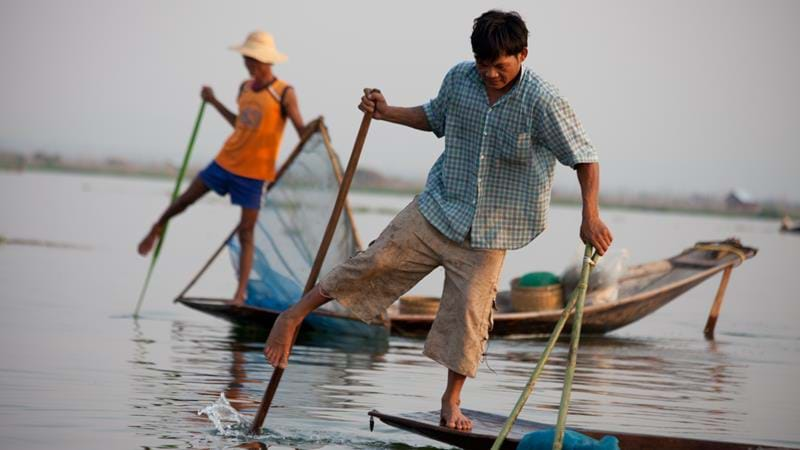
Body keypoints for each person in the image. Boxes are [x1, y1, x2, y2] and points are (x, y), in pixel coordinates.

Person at [263, 10, 613, 431]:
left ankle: (451, 401)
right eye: (483, 65)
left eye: (499, 66)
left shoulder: (543, 100)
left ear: (522, 55)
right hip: (439, 206)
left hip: (493, 229)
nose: (489, 74)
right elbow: (434, 118)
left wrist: (589, 215)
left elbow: (584, 156)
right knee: (374, 260)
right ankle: (294, 315)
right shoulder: (460, 79)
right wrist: (385, 111)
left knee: (469, 314)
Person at [138, 31, 304, 306]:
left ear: (263, 59)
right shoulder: (244, 87)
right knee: (186, 199)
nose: (246, 63)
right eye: (245, 58)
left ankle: (239, 294)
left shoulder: (284, 92)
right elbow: (240, 124)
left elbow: (301, 129)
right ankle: (158, 225)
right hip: (226, 161)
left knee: (246, 232)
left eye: (250, 58)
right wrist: (214, 102)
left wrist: (314, 132)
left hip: (255, 173)